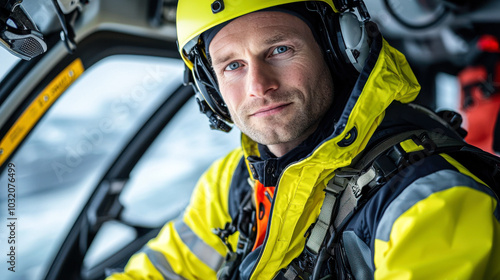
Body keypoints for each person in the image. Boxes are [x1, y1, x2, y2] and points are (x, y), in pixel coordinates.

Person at [107, 0, 500, 279]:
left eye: (279, 50)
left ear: (336, 52)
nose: (258, 86)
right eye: (233, 66)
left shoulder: (428, 203)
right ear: (210, 90)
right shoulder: (234, 183)